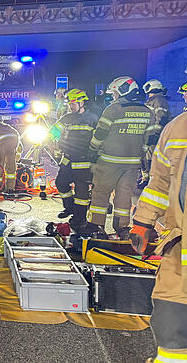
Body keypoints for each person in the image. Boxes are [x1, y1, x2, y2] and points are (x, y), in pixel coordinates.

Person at [129, 111, 187, 363]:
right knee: (169, 323)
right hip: (180, 251)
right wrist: (143, 221)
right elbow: (160, 183)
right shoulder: (177, 128)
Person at [87, 76, 157, 237]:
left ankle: (96, 226)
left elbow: (100, 134)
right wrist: (141, 151)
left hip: (108, 162)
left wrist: (92, 150)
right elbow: (150, 137)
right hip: (132, 164)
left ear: (123, 91)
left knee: (101, 193)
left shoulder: (113, 110)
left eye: (115, 93)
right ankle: (122, 227)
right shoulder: (148, 112)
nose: (113, 97)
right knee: (124, 195)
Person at [47, 89, 98, 232]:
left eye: (73, 103)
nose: (70, 106)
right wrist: (47, 140)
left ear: (82, 103)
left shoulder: (93, 119)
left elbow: (99, 140)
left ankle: (79, 219)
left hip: (84, 161)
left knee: (82, 192)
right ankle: (69, 207)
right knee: (61, 183)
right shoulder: (67, 118)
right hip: (68, 159)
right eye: (69, 104)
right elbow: (54, 131)